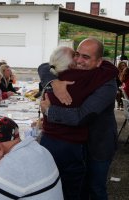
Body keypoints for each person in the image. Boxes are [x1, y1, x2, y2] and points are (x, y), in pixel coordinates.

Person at [39, 38, 118, 200]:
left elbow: (81, 116)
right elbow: (45, 66)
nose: (78, 60)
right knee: (78, 187)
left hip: (98, 145)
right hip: (78, 145)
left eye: (86, 57)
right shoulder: (76, 75)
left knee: (95, 188)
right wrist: (53, 81)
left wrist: (49, 111)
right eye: (77, 54)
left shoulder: (107, 83)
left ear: (99, 62)